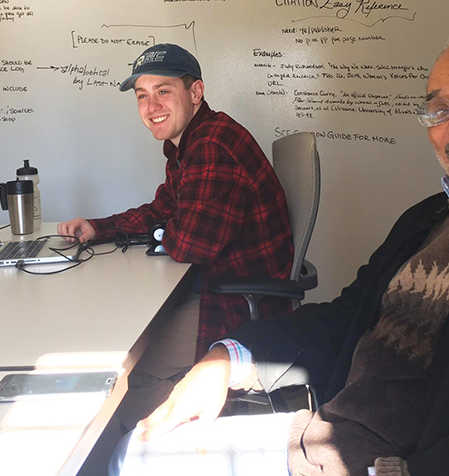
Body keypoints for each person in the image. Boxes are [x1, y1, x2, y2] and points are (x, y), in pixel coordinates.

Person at [112, 32, 449, 476]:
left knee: (123, 460)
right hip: (324, 437)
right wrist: (228, 356)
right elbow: (348, 318)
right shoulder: (426, 218)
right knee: (131, 451)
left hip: (398, 463)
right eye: (439, 109)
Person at [58, 43, 293, 433]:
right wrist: (98, 227)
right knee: (123, 327)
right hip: (214, 286)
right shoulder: (188, 144)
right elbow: (163, 210)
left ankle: (161, 453)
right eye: (142, 96)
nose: (151, 107)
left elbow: (191, 244)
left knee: (130, 374)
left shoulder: (213, 145)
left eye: (163, 91)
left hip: (236, 303)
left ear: (195, 92)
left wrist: (169, 226)